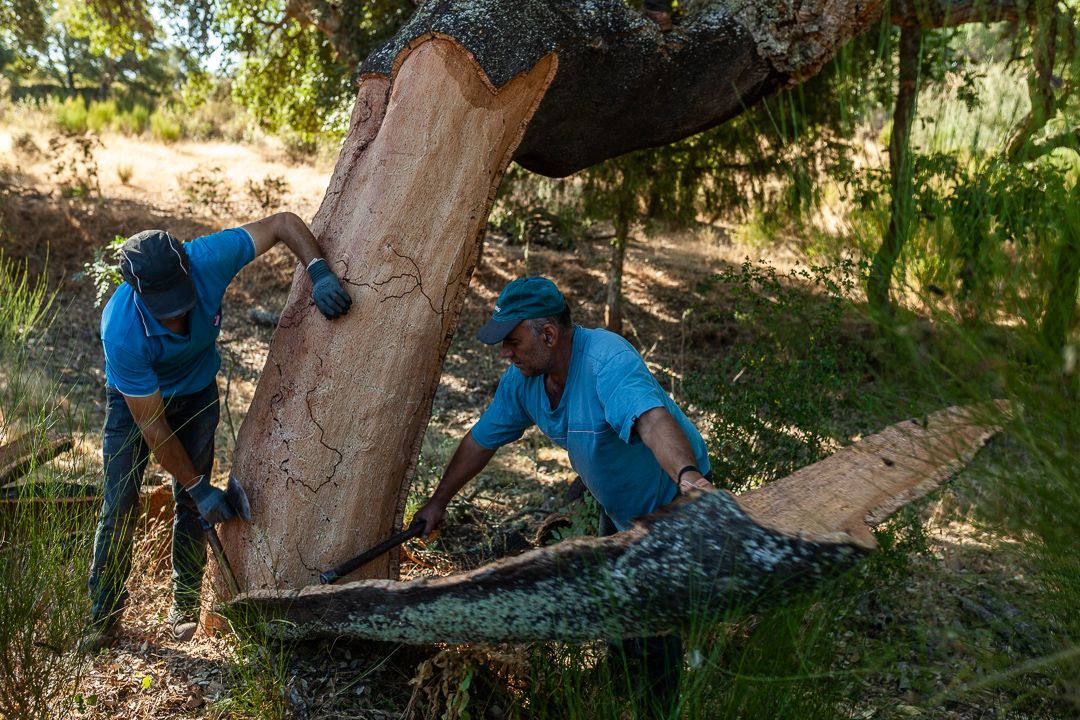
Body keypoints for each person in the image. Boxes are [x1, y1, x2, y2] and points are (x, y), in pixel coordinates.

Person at [413, 276, 712, 718]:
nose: (505, 354)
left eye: (512, 342)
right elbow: (480, 442)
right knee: (616, 610)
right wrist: (438, 502)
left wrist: (690, 479)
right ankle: (623, 691)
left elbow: (651, 421)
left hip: (673, 499)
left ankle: (660, 708)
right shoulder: (524, 381)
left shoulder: (607, 360)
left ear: (548, 334)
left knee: (651, 620)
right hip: (618, 505)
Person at [83, 212, 352, 652]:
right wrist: (195, 485)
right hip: (136, 407)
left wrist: (318, 270)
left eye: (181, 302)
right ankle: (104, 614)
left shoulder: (207, 257)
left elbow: (283, 224)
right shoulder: (122, 330)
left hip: (197, 392)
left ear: (187, 268)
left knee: (192, 504)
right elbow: (153, 427)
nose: (176, 318)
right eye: (164, 309)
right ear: (138, 292)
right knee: (120, 503)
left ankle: (185, 605)